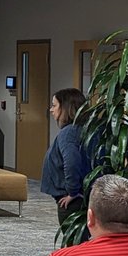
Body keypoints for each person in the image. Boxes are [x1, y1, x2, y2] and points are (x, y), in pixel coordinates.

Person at [41, 87, 91, 227]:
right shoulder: (84, 129)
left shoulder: (69, 132)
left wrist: (72, 192)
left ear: (66, 108)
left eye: (54, 105)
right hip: (82, 196)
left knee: (73, 243)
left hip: (72, 200)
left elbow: (72, 162)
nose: (51, 110)